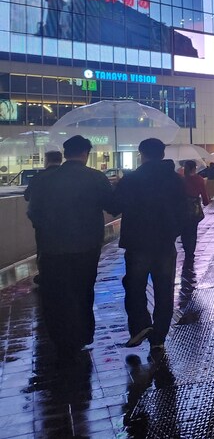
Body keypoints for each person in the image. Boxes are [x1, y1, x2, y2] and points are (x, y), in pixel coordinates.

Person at [26, 136, 114, 361]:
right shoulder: (95, 178)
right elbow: (114, 206)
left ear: (65, 154)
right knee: (83, 290)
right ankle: (82, 335)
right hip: (86, 246)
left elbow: (33, 211)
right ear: (86, 153)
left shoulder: (43, 179)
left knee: (55, 294)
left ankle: (60, 339)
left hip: (52, 247)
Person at [114, 138, 189, 352]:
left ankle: (140, 325)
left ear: (142, 154)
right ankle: (159, 336)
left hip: (137, 241)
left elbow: (115, 206)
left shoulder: (132, 179)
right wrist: (173, 230)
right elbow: (183, 209)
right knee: (164, 289)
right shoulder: (175, 179)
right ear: (163, 155)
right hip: (165, 241)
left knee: (134, 285)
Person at [24, 149, 63, 286]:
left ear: (47, 161)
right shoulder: (66, 176)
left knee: (44, 250)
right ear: (60, 159)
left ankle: (45, 276)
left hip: (43, 223)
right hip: (66, 222)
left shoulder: (39, 177)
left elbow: (27, 196)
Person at [180, 160, 209, 259]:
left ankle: (186, 248)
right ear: (194, 168)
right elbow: (204, 194)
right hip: (195, 207)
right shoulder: (199, 179)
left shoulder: (182, 180)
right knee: (193, 230)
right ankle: (191, 251)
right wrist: (205, 202)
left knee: (184, 230)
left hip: (183, 208)